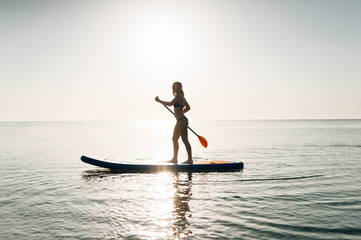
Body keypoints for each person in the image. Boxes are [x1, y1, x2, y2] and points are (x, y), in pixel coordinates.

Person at [155, 82, 193, 164]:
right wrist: (180, 112)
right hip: (179, 120)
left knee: (185, 140)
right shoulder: (182, 97)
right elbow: (188, 108)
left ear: (179, 88)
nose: (173, 88)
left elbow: (170, 104)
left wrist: (159, 101)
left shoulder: (179, 96)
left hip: (182, 120)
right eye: (173, 86)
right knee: (174, 139)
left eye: (175, 86)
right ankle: (175, 159)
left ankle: (190, 160)